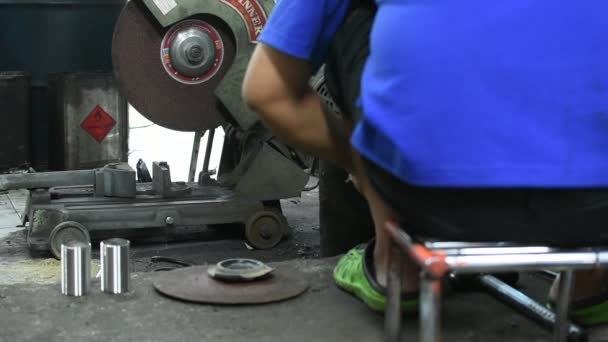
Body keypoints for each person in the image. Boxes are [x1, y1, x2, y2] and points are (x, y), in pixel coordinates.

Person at [243, 0, 608, 326]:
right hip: (592, 211)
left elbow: (266, 89)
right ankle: (593, 282)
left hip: (425, 201)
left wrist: (361, 163)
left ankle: (395, 261)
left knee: (350, 17)